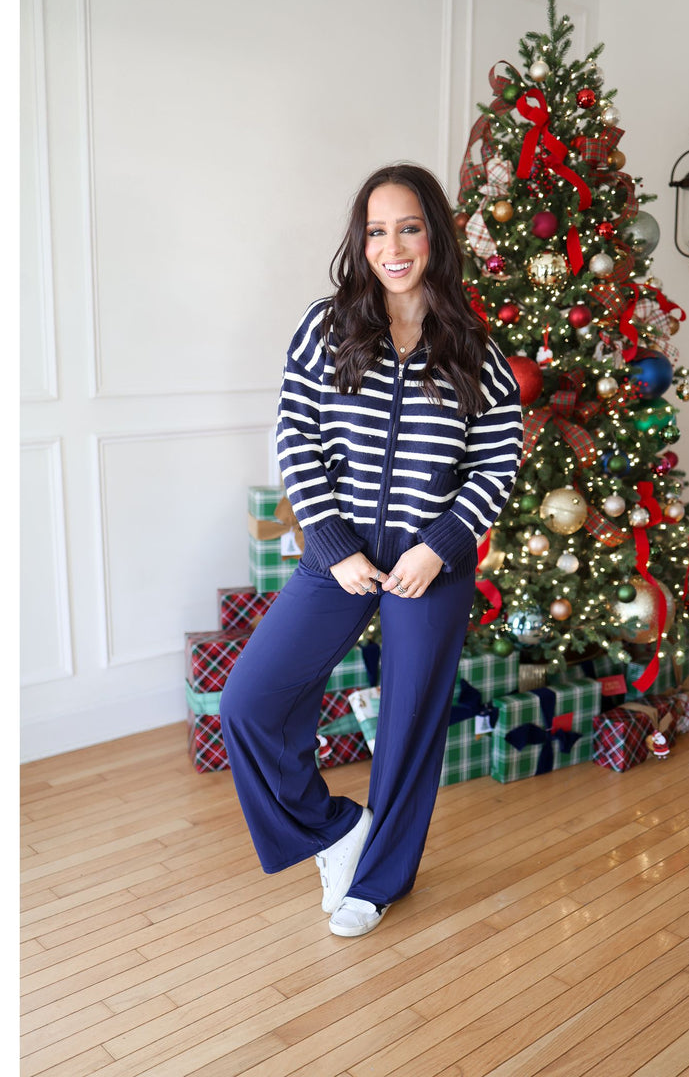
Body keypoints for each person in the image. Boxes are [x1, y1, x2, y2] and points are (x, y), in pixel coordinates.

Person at [220, 163, 524, 937]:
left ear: (435, 237)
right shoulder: (326, 328)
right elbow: (296, 436)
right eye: (377, 229)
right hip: (342, 551)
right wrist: (329, 542)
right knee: (250, 701)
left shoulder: (476, 350)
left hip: (432, 559)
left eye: (409, 227)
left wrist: (444, 545)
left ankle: (378, 882)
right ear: (362, 241)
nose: (393, 245)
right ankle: (334, 831)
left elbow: (497, 460)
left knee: (409, 725)